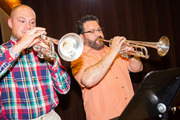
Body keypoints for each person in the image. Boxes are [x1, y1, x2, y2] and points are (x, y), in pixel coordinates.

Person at [0, 5, 71, 120]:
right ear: (10, 23)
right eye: (22, 21)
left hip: (51, 116)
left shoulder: (44, 49)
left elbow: (64, 88)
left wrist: (52, 60)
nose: (28, 27)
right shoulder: (2, 51)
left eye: (32, 22)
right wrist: (20, 46)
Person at [71, 15, 143, 120]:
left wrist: (131, 55)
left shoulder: (112, 50)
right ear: (81, 37)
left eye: (99, 30)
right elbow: (88, 80)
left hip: (130, 114)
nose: (98, 34)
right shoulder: (78, 58)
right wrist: (114, 52)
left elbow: (138, 68)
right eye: (91, 32)